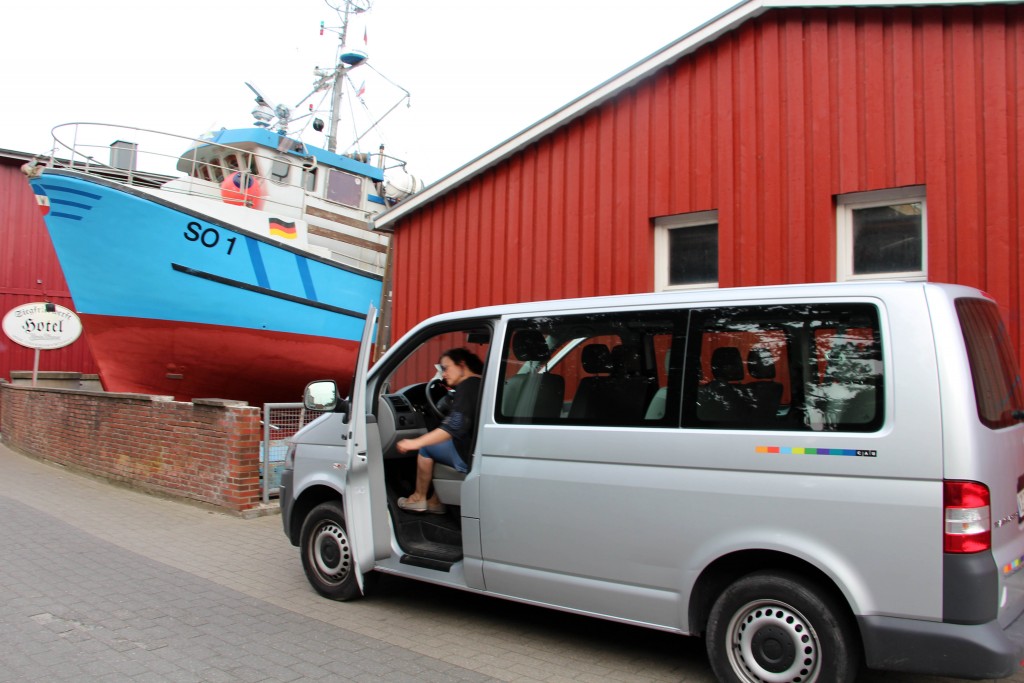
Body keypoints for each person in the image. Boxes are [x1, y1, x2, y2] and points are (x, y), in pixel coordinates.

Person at [396, 348, 483, 514]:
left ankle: (418, 498)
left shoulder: (467, 387)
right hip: (476, 448)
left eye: (446, 368)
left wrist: (415, 442)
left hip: (467, 454)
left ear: (462, 365)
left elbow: (454, 427)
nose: (443, 374)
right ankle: (435, 501)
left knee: (426, 448)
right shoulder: (481, 382)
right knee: (440, 442)